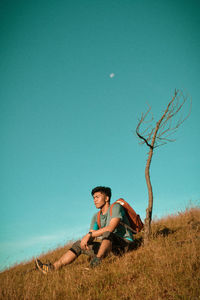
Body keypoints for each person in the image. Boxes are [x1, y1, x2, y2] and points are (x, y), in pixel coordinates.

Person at [35, 186, 134, 274]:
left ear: (107, 198)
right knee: (79, 244)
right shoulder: (96, 216)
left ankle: (96, 262)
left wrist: (90, 235)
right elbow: (91, 234)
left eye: (97, 197)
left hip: (124, 245)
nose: (95, 200)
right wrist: (85, 241)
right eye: (93, 198)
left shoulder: (116, 207)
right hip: (109, 247)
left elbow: (111, 228)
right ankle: (53, 267)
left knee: (108, 233)